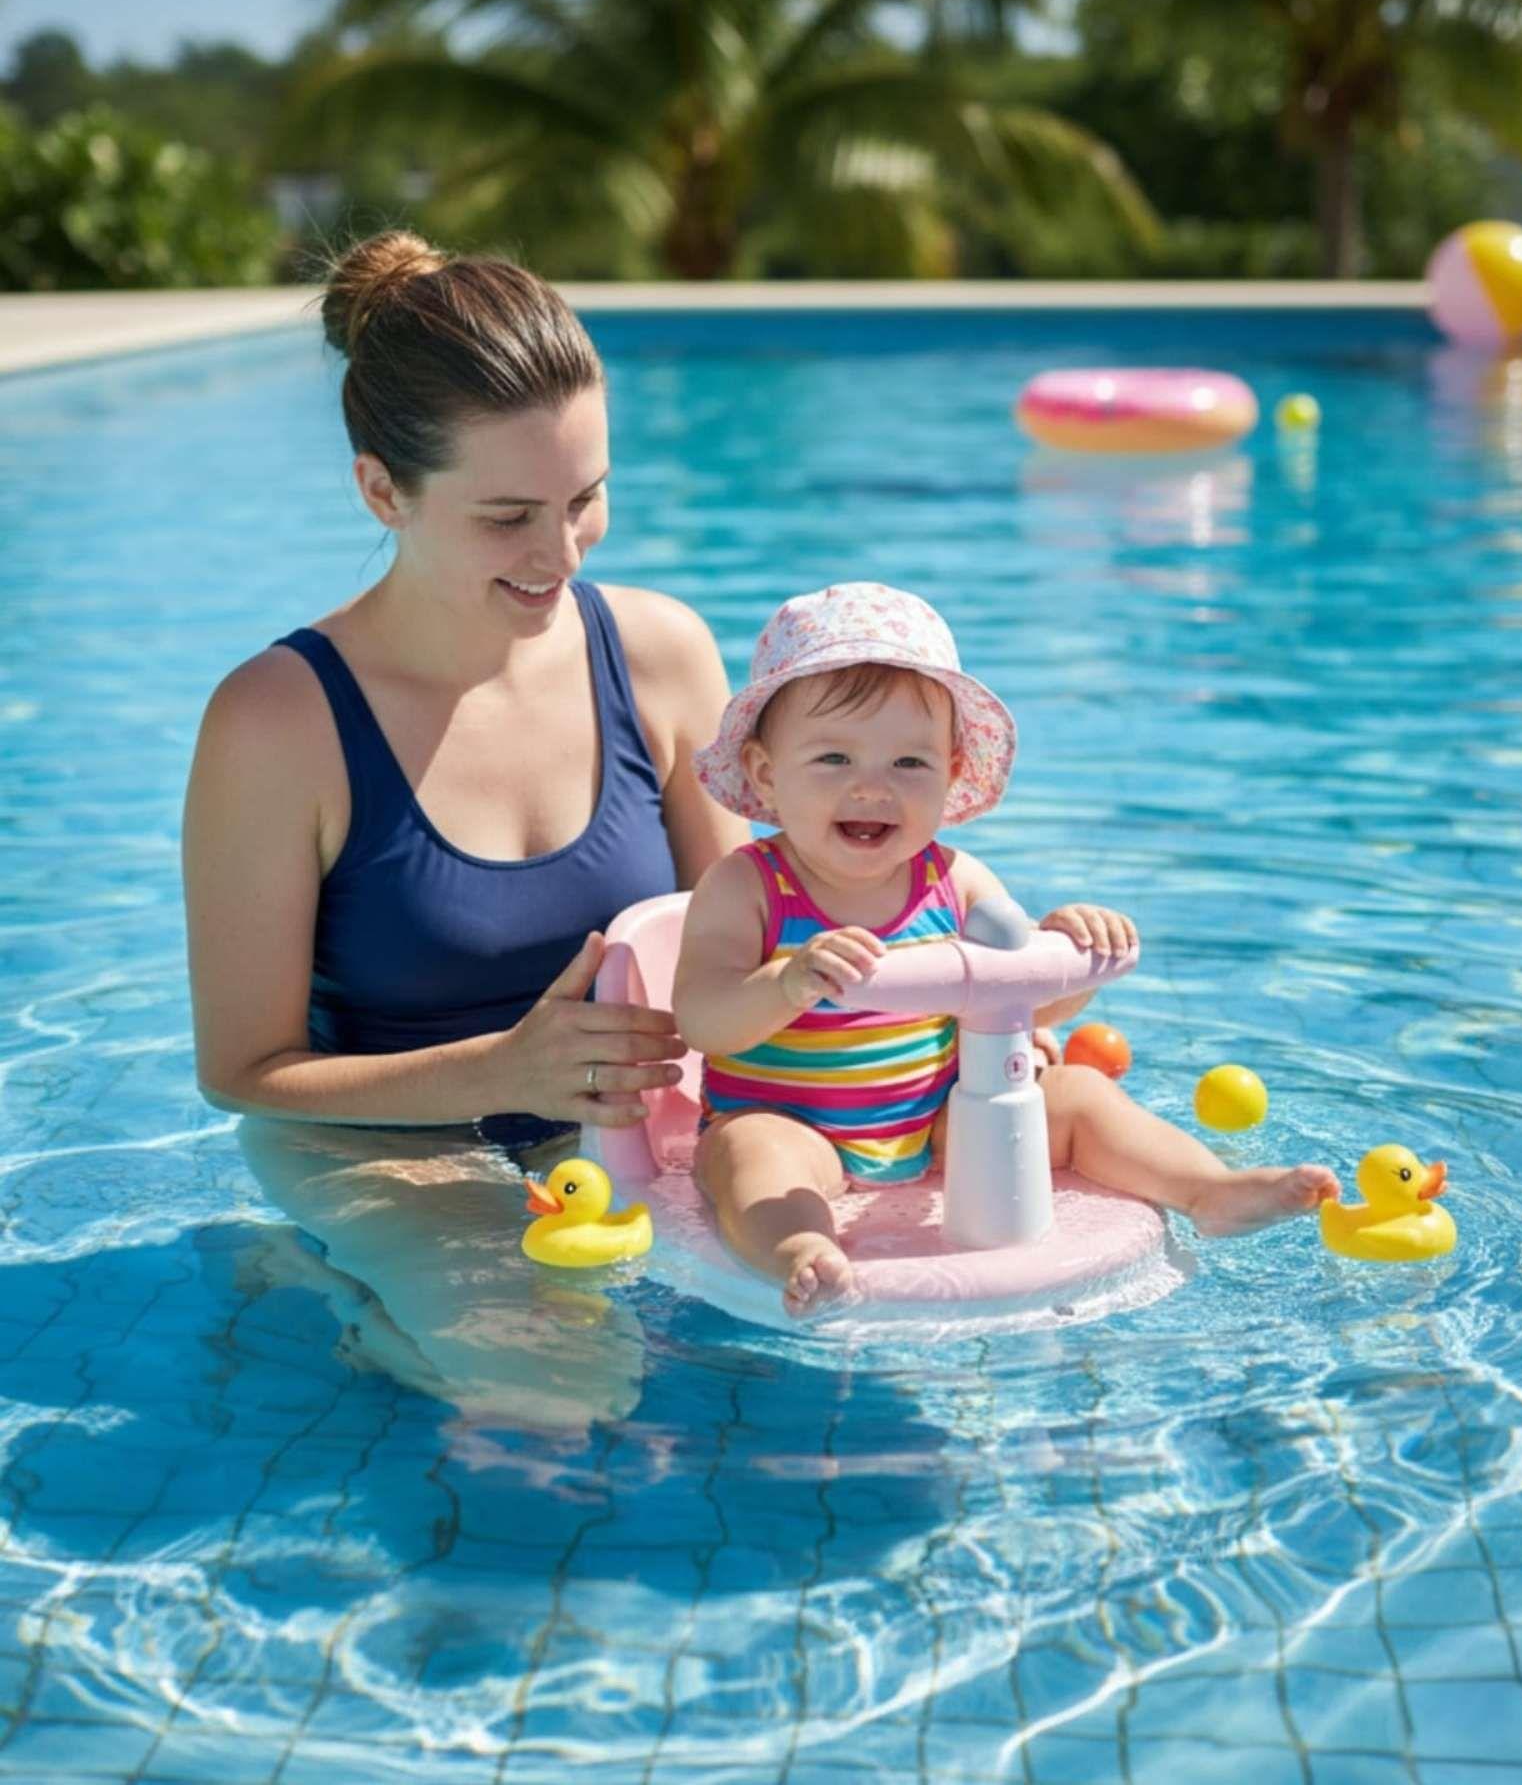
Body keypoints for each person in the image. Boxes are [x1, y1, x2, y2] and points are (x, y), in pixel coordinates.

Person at [182, 230, 747, 1421]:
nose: (560, 554)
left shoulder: (659, 655)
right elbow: (244, 1070)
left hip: (614, 1118)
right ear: (382, 489)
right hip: (378, 1136)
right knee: (566, 1388)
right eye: (507, 517)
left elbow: (757, 937)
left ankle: (370, 1297)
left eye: (585, 497)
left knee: (780, 1321)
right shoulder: (279, 722)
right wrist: (504, 1070)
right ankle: (342, 1280)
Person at [673, 582, 1340, 1318]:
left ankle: (1207, 1190)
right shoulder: (747, 887)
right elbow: (703, 1020)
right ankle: (799, 1249)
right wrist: (786, 984)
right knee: (751, 1155)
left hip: (935, 1124)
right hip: (790, 1122)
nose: (872, 788)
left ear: (953, 773)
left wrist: (1071, 948)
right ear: (768, 774)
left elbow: (1020, 1000)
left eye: (909, 765)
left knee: (1080, 1096)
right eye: (833, 758)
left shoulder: (956, 881)